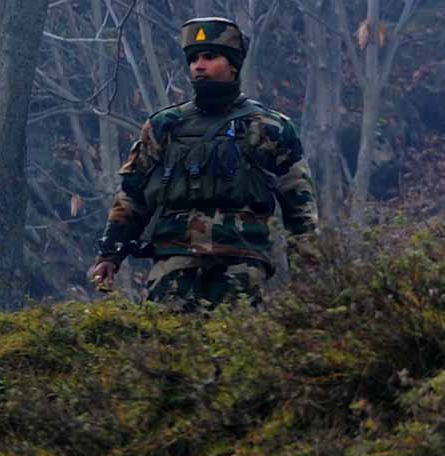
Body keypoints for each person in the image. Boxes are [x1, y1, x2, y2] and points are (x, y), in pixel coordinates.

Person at [88, 17, 319, 308]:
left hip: (240, 262)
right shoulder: (164, 125)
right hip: (172, 263)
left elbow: (299, 205)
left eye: (210, 57)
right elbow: (132, 195)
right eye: (194, 58)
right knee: (165, 346)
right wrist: (110, 254)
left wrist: (309, 273)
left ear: (233, 64)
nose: (199, 65)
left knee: (233, 347)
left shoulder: (271, 127)